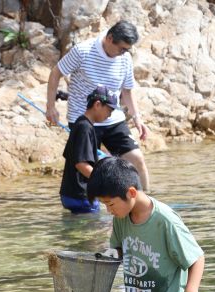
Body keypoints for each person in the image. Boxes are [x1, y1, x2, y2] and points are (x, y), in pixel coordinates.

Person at [87, 157, 205, 292]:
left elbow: (197, 258)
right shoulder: (121, 218)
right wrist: (114, 254)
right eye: (105, 205)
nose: (109, 210)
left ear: (131, 193)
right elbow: (120, 248)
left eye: (110, 204)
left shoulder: (165, 221)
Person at [46, 20, 150, 192]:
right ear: (109, 38)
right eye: (122, 48)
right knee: (84, 175)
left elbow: (127, 91)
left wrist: (137, 117)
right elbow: (56, 73)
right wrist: (51, 107)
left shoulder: (125, 59)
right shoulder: (83, 51)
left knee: (137, 159)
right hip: (84, 121)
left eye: (127, 49)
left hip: (113, 120)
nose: (124, 53)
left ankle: (147, 205)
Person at [60, 85, 116, 214]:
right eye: (109, 110)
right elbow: (81, 164)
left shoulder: (81, 124)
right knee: (95, 231)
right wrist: (104, 183)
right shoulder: (85, 128)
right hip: (81, 195)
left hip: (70, 193)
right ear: (97, 105)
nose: (110, 115)